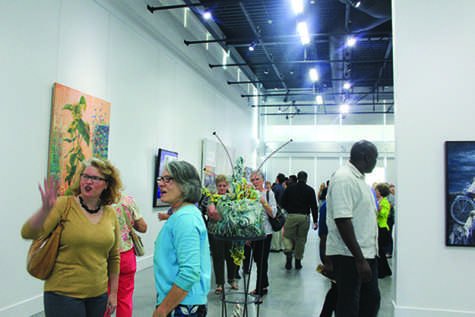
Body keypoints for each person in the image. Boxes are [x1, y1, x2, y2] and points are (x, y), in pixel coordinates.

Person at [21, 157, 122, 317]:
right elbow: (28, 233)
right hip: (63, 294)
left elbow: (114, 256)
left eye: (95, 178)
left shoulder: (110, 214)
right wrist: (45, 210)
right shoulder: (64, 205)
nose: (88, 181)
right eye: (85, 176)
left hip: (98, 295)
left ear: (106, 184)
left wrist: (114, 293)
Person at [326, 140, 381, 317]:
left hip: (365, 254)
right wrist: (359, 259)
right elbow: (342, 220)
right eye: (375, 158)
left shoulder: (360, 180)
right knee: (348, 307)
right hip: (349, 256)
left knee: (370, 302)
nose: (376, 161)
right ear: (366, 157)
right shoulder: (344, 178)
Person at [153, 161, 211, 317]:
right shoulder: (182, 214)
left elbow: (189, 272)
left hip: (182, 304)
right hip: (179, 301)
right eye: (161, 179)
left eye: (168, 179)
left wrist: (162, 310)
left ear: (186, 185)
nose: (161, 184)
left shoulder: (186, 218)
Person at [113, 193, 148, 317]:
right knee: (125, 298)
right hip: (125, 255)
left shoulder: (97, 202)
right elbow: (143, 228)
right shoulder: (127, 201)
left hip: (105, 257)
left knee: (103, 298)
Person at [206, 175, 239, 294]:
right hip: (215, 232)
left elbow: (236, 213)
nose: (222, 188)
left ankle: (232, 279)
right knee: (218, 257)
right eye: (219, 186)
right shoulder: (212, 198)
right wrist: (227, 216)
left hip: (230, 231)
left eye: (224, 186)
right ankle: (220, 283)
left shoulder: (232, 198)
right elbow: (212, 213)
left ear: (227, 186)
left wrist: (223, 215)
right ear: (216, 186)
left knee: (231, 256)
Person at [280, 171, 318, 270]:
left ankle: (288, 252)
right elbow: (314, 206)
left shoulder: (290, 189)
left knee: (288, 236)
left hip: (291, 215)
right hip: (304, 217)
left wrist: (288, 209)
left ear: (297, 178)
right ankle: (298, 261)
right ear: (306, 179)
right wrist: (315, 220)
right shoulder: (310, 190)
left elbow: (282, 202)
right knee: (301, 239)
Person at [248, 170, 275, 302]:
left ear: (263, 180)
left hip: (266, 232)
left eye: (257, 179)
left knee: (262, 261)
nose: (255, 182)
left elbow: (273, 213)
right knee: (258, 260)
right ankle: (264, 285)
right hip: (253, 232)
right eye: (252, 180)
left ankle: (259, 291)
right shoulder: (249, 195)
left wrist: (262, 200)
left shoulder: (269, 194)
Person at [317, 183, 337, 317]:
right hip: (331, 253)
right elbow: (323, 234)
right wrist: (327, 260)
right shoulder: (327, 206)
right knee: (337, 288)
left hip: (336, 252)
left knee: (337, 288)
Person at [375, 183, 392, 278]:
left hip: (382, 228)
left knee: (380, 251)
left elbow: (384, 214)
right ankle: (383, 270)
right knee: (379, 251)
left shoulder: (384, 201)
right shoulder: (377, 200)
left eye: (376, 190)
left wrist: (379, 209)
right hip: (377, 228)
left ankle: (384, 271)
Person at [270, 173, 286, 252]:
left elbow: (272, 199)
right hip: (282, 209)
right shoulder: (283, 188)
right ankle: (281, 246)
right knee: (281, 228)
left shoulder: (275, 187)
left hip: (276, 209)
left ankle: (275, 246)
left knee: (276, 228)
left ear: (277, 179)